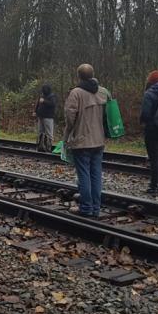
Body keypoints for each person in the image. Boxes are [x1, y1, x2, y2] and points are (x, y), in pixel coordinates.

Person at [63, 64, 108, 218]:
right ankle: (96, 208)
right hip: (99, 140)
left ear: (79, 76)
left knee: (84, 174)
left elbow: (70, 117)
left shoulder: (76, 93)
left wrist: (68, 134)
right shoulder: (102, 91)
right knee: (96, 174)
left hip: (82, 140)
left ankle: (86, 207)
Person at [35, 84, 56, 152]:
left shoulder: (52, 96)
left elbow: (52, 104)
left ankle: (48, 146)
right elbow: (38, 104)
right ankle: (40, 146)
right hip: (41, 116)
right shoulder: (42, 96)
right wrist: (35, 111)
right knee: (40, 132)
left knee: (49, 133)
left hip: (48, 117)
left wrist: (44, 101)